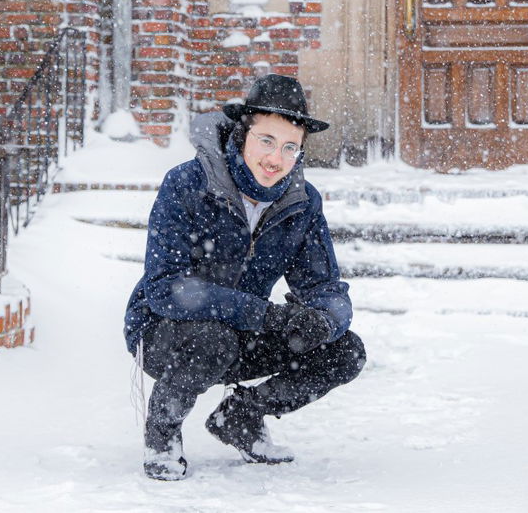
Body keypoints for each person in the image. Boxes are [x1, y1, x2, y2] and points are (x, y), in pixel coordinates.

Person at [122, 74, 365, 480]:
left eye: (290, 147)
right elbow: (166, 289)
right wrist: (266, 315)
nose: (275, 159)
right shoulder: (188, 184)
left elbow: (325, 287)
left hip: (243, 336)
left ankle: (240, 416)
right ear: (242, 132)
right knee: (212, 338)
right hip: (165, 333)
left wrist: (324, 320)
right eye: (266, 141)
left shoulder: (302, 203)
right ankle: (163, 429)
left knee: (345, 351)